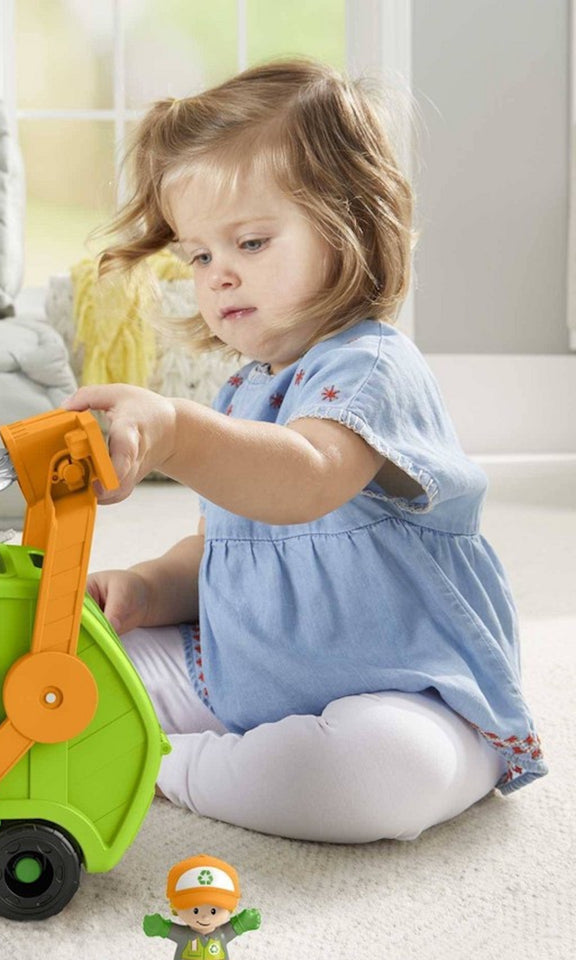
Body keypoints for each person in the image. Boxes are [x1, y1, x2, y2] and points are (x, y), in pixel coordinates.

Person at [63, 59, 545, 843]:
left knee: (373, 775)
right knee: (66, 671)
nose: (218, 277)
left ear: (351, 223)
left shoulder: (372, 368)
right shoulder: (249, 386)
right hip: (239, 673)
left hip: (407, 695)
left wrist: (178, 433)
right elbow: (228, 542)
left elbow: (307, 482)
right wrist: (150, 589)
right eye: (199, 256)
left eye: (251, 242)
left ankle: (163, 763)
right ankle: (218, 748)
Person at [143, 854, 261, 960]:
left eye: (213, 910)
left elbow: (236, 927)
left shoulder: (221, 934)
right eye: (195, 910)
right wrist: (159, 927)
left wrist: (244, 922)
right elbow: (168, 930)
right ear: (175, 908)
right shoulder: (184, 935)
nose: (204, 916)